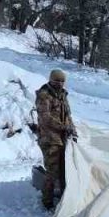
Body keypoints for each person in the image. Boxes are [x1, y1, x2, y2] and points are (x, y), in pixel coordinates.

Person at [35, 69, 76, 209]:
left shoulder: (63, 95)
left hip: (62, 139)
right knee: (52, 171)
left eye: (62, 81)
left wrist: (73, 130)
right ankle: (47, 201)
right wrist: (64, 127)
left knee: (65, 169)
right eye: (57, 81)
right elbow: (45, 118)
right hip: (49, 139)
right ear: (51, 80)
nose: (59, 84)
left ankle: (64, 197)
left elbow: (68, 115)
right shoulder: (44, 95)